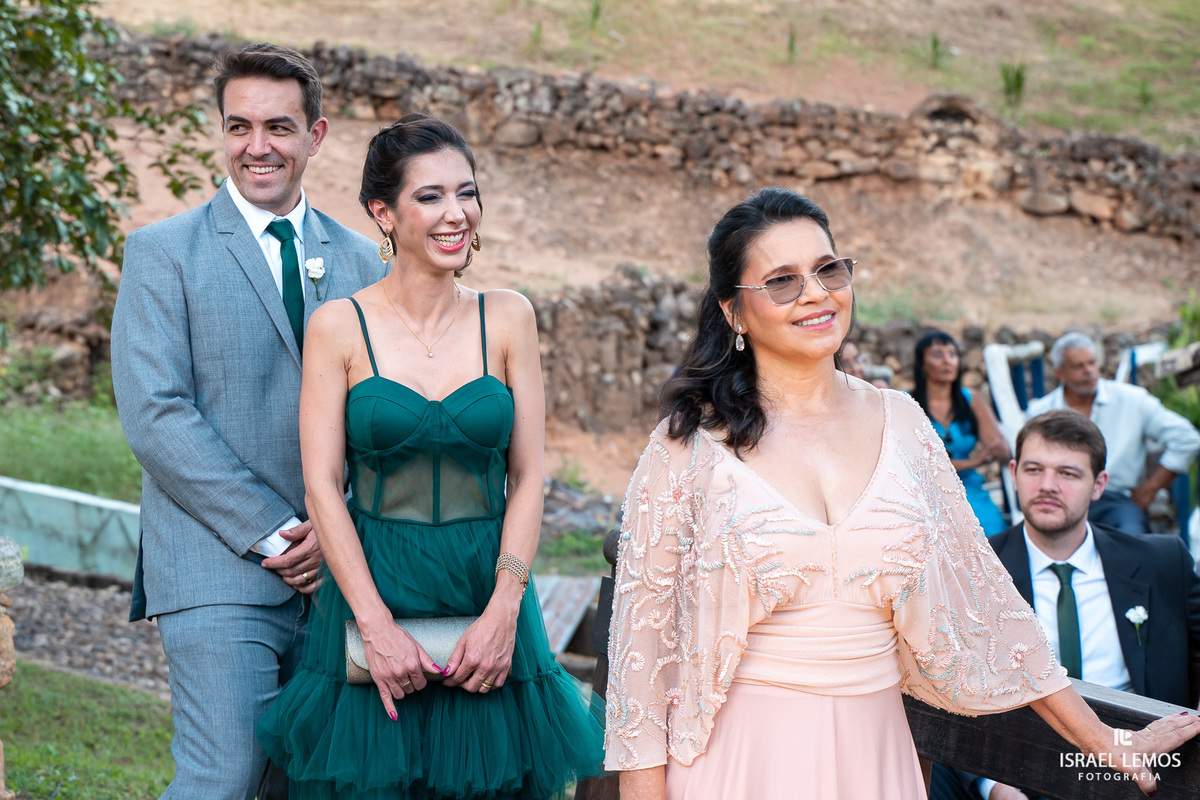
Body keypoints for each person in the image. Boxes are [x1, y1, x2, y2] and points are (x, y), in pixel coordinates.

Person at [603, 187, 1200, 800]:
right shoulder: (689, 445)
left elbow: (991, 607)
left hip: (878, 755)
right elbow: (641, 664)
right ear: (734, 312)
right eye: (782, 281)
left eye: (828, 269)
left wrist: (1107, 741)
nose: (816, 292)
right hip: (739, 761)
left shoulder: (904, 423)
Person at [256, 114, 605, 799]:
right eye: (431, 197)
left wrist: (506, 609)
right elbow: (323, 486)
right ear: (383, 213)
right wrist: (373, 625)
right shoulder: (338, 326)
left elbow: (530, 474)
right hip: (377, 585)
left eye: (466, 193)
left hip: (488, 585)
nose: (457, 215)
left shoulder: (509, 317)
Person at [110, 43, 386, 799]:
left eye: (278, 127)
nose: (256, 147)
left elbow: (387, 421)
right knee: (223, 776)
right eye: (239, 127)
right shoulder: (162, 254)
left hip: (338, 576)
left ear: (316, 135)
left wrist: (335, 536)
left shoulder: (368, 264)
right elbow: (155, 414)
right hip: (214, 565)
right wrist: (275, 531)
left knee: (308, 784)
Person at [935, 409, 1200, 800]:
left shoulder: (1162, 561)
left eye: (1068, 473)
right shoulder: (973, 572)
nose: (1047, 485)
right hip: (1019, 771)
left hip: (1145, 770)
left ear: (1099, 485)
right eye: (1034, 469)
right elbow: (948, 691)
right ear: (1013, 472)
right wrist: (994, 786)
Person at [1026, 332, 1200, 535]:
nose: (1089, 371)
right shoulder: (1041, 412)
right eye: (1078, 366)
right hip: (1058, 499)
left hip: (1117, 500)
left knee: (1130, 542)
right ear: (1060, 373)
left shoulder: (1132, 400)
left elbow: (1187, 439)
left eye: (1092, 363)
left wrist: (1150, 489)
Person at [911, 330, 1010, 535]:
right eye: (938, 355)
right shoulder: (908, 403)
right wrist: (975, 461)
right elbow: (920, 462)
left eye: (953, 354)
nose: (948, 361)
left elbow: (1000, 449)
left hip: (967, 488)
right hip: (923, 492)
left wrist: (999, 447)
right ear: (922, 364)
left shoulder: (970, 399)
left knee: (990, 529)